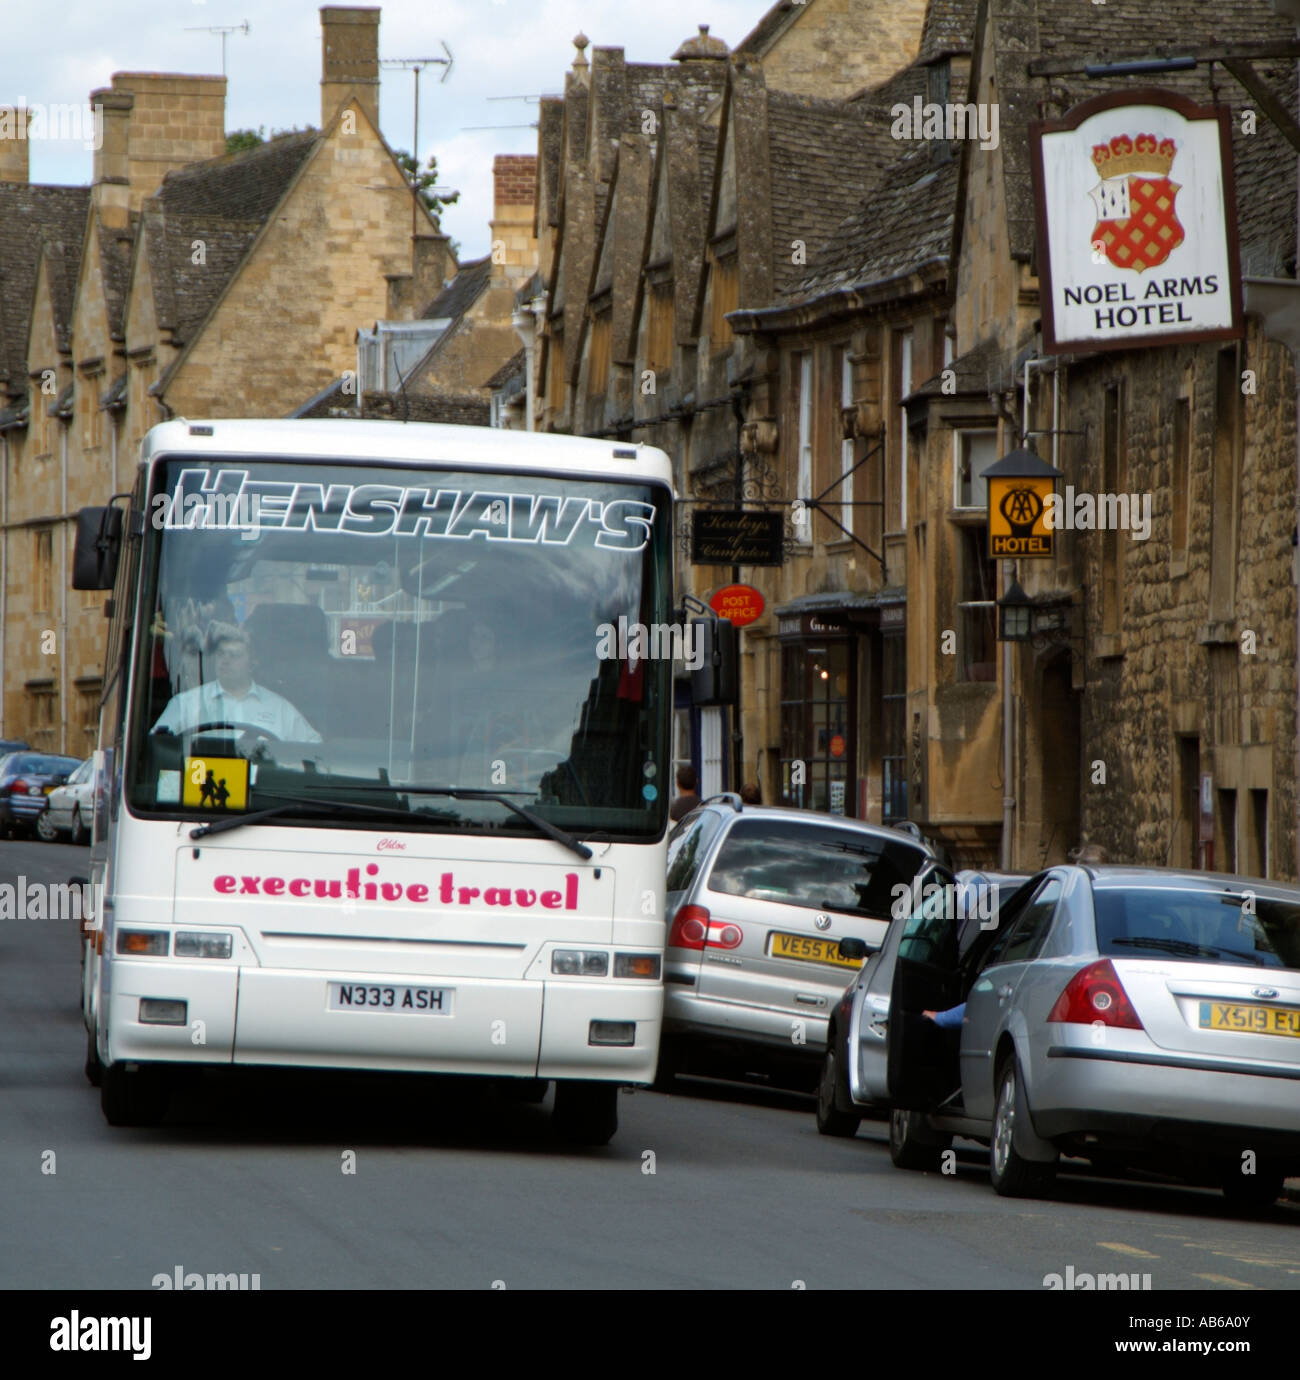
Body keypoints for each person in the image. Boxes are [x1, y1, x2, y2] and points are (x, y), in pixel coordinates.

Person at [152, 622, 321, 742]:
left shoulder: (279, 709)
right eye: (221, 654)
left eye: (234, 655)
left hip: (263, 791)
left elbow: (313, 750)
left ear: (253, 662)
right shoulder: (186, 703)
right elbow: (157, 746)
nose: (225, 660)